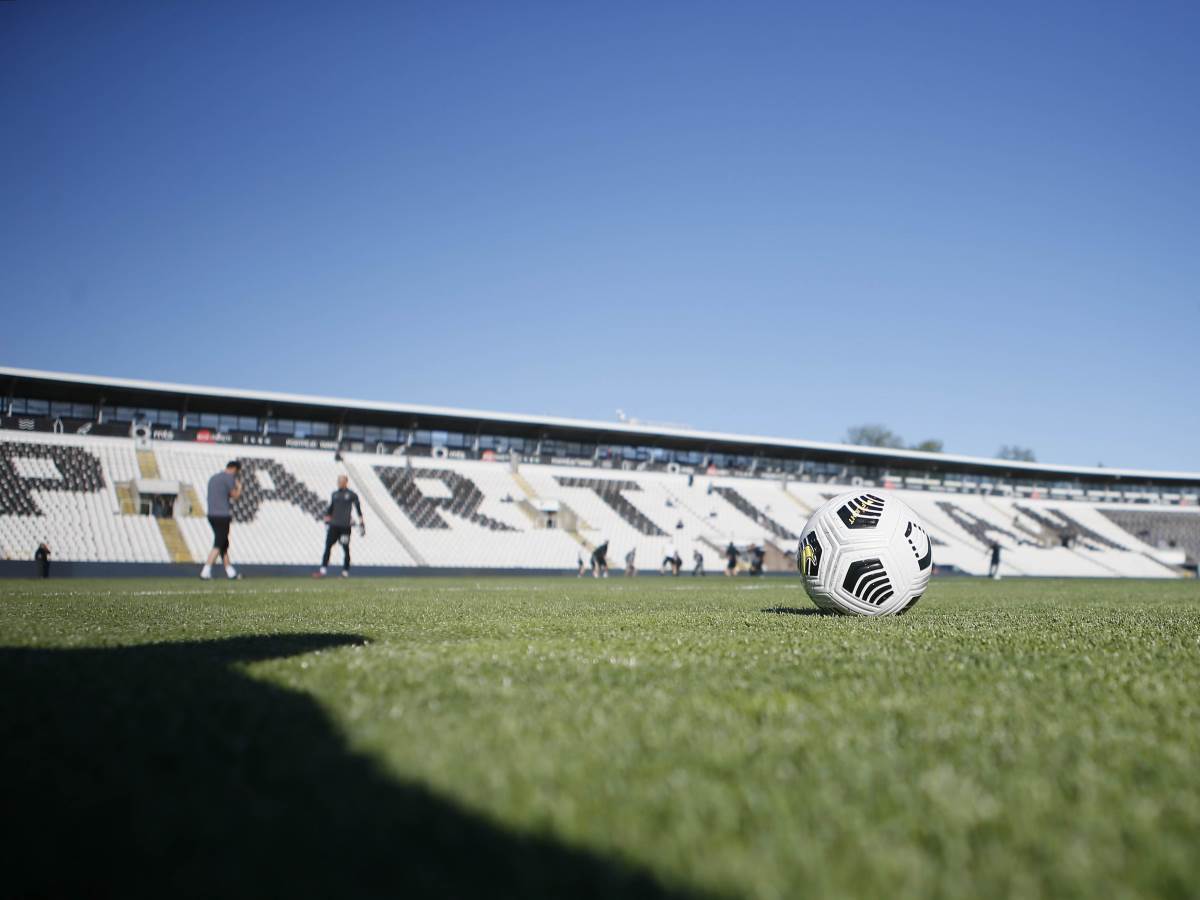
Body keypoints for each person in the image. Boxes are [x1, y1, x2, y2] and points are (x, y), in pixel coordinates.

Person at [314, 474, 365, 578]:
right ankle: (322, 570)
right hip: (334, 526)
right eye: (338, 481)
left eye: (341, 481)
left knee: (345, 548)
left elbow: (358, 509)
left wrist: (361, 523)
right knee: (328, 546)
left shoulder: (352, 495)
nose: (339, 483)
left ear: (346, 482)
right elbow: (331, 507)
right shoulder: (334, 494)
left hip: (345, 527)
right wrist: (327, 516)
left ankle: (345, 571)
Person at [201, 461, 242, 580]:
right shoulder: (229, 478)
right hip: (222, 515)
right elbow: (235, 495)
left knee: (223, 543)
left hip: (211, 514)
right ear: (234, 469)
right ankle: (205, 570)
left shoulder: (213, 478)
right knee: (219, 543)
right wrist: (239, 488)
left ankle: (230, 572)